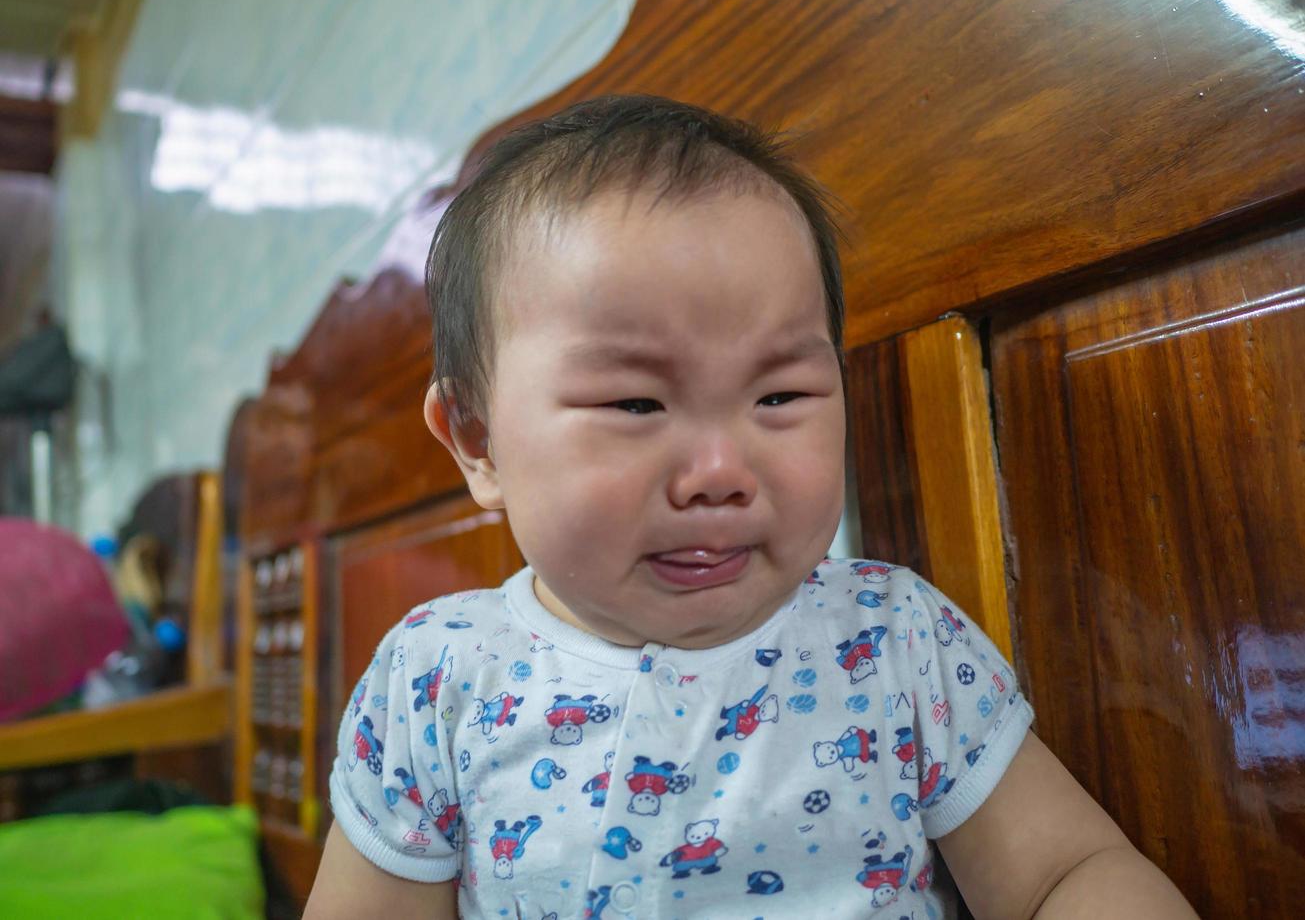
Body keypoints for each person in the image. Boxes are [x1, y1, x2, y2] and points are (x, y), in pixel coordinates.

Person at [305, 95, 1196, 918]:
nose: (720, 472)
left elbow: (1064, 874)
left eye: (778, 398)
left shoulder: (891, 640)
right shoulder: (438, 679)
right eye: (635, 405)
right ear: (475, 438)